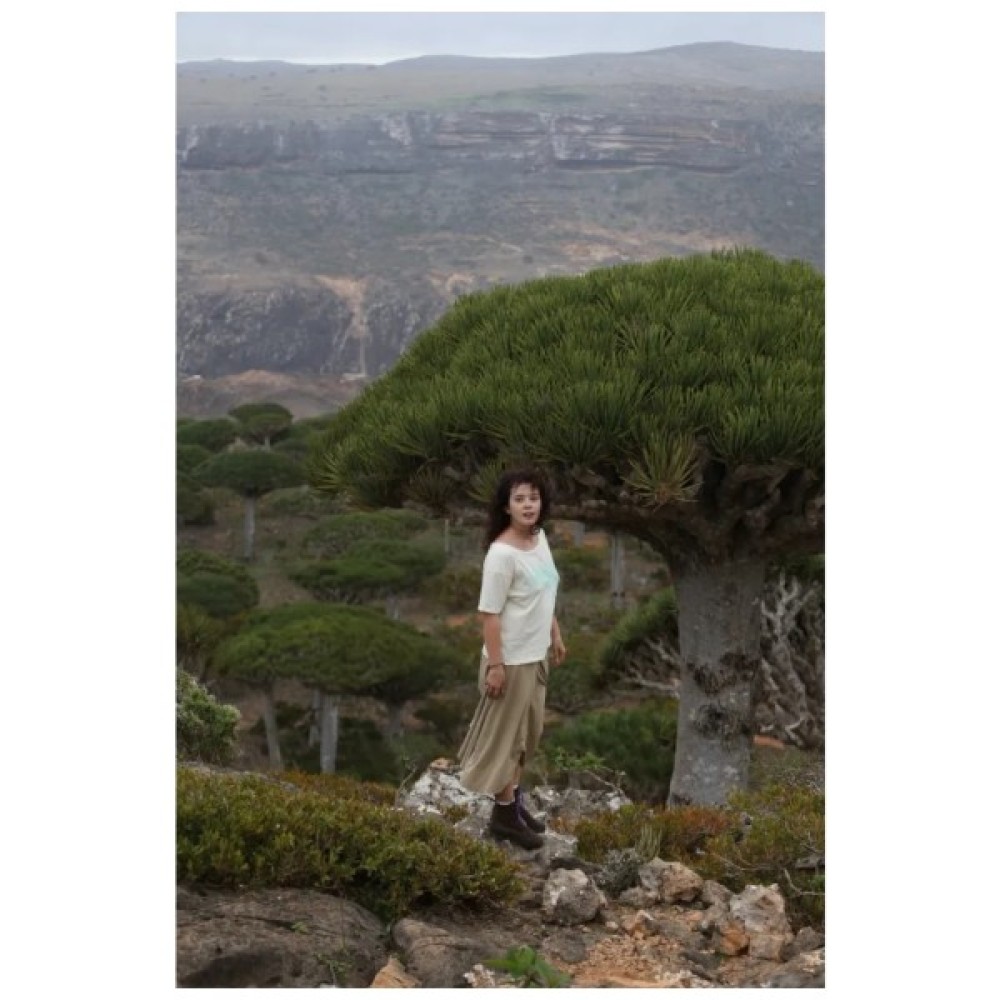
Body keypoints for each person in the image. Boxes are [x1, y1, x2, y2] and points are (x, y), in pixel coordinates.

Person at [457, 467, 566, 850]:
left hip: (536, 656)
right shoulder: (501, 555)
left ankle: (514, 805)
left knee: (527, 737)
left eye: (533, 497)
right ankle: (504, 817)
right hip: (510, 660)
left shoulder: (539, 538)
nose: (528, 505)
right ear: (506, 507)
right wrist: (496, 666)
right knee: (505, 740)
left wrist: (554, 633)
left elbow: (545, 590)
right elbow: (489, 615)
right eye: (519, 499)